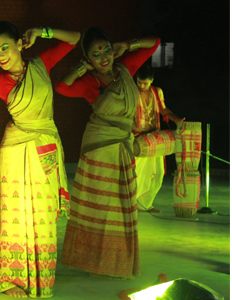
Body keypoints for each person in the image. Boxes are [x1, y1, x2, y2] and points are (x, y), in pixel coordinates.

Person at [0, 21, 79, 298]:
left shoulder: (41, 65)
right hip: (16, 148)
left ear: (20, 44)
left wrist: (42, 31)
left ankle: (40, 279)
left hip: (44, 143)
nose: (0, 55)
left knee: (43, 216)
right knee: (15, 217)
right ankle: (12, 280)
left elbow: (74, 39)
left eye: (5, 47)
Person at [55, 27, 160, 279]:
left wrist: (127, 42)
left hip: (122, 144)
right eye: (95, 54)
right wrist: (81, 69)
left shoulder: (125, 69)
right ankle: (92, 259)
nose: (103, 57)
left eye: (106, 50)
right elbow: (61, 87)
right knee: (99, 205)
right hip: (99, 145)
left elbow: (154, 42)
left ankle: (116, 259)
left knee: (121, 205)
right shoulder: (90, 82)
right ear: (88, 58)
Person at [133, 64, 184, 213]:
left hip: (155, 139)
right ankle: (132, 204)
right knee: (138, 173)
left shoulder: (157, 92)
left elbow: (164, 110)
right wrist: (132, 126)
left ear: (152, 81)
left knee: (159, 173)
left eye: (145, 83)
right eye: (139, 82)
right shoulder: (131, 91)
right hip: (138, 139)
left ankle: (146, 204)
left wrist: (175, 119)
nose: (142, 86)